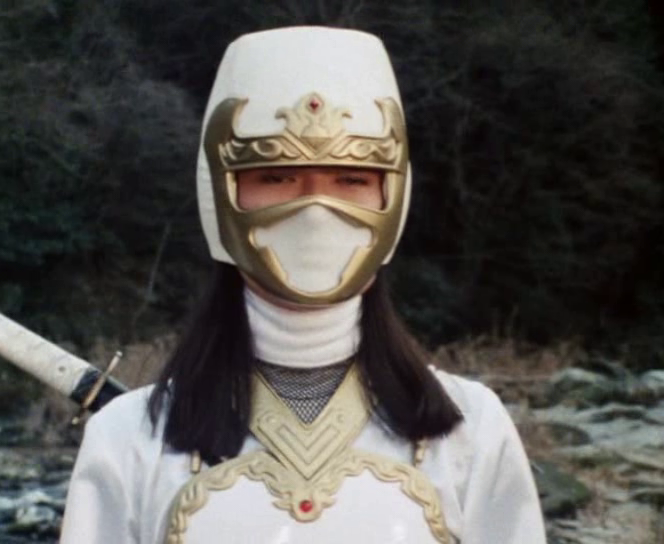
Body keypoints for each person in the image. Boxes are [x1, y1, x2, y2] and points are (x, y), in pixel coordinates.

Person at [60, 27, 546, 543]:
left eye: (351, 179)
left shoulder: (472, 429)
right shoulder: (127, 437)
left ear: (392, 196)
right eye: (277, 177)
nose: (316, 211)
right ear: (221, 193)